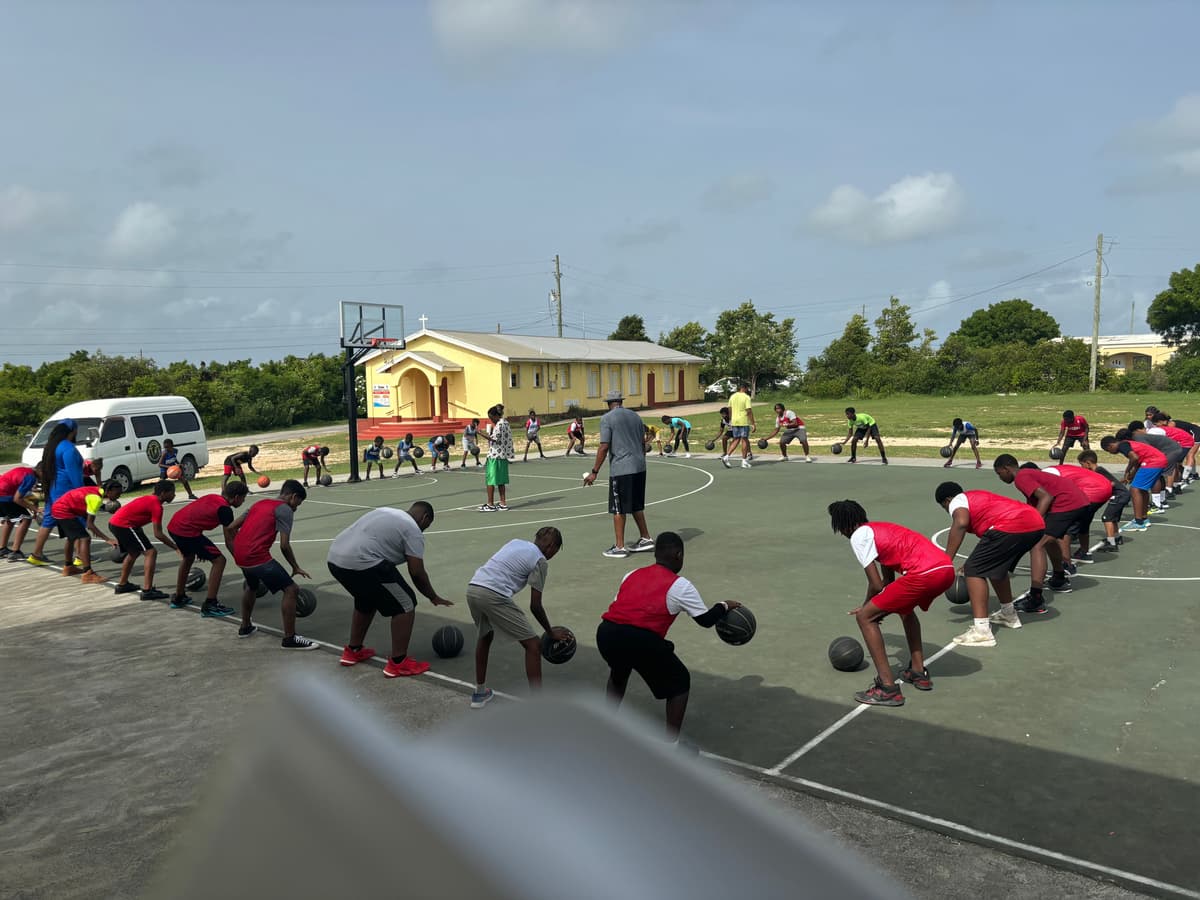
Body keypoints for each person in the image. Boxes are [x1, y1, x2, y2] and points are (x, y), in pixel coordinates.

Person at [595, 531, 740, 740]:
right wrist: (724, 605)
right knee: (680, 682)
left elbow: (620, 606)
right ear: (679, 555)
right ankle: (671, 746)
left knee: (619, 673)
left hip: (606, 633)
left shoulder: (632, 574)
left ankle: (604, 727)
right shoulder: (679, 585)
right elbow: (706, 620)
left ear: (656, 554)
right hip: (639, 638)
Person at [828, 500, 955, 706]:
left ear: (842, 526)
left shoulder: (859, 536)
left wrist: (867, 606)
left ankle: (887, 688)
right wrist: (876, 604)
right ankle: (918, 671)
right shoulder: (880, 530)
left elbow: (876, 585)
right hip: (945, 570)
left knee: (865, 618)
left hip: (924, 573)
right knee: (904, 610)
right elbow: (888, 583)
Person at [328, 501, 454, 678]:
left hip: (335, 559)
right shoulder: (413, 530)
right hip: (363, 561)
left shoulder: (385, 511)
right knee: (406, 603)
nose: (425, 529)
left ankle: (353, 650)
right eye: (428, 525)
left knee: (366, 599)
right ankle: (398, 662)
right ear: (425, 518)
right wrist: (433, 596)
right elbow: (416, 572)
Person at [935, 481, 1046, 646]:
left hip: (1013, 524)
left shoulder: (957, 501)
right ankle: (1009, 615)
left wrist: (945, 561)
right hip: (1034, 523)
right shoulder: (976, 498)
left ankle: (982, 631)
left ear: (947, 501)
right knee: (995, 567)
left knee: (974, 570)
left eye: (944, 507)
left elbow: (961, 523)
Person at [467, 526, 565, 708]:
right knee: (534, 645)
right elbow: (535, 606)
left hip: (473, 587)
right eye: (556, 550)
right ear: (551, 546)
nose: (554, 554)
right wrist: (550, 633)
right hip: (493, 595)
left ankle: (479, 694)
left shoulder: (515, 542)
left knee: (485, 636)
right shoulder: (540, 561)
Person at [992, 453, 1085, 612]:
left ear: (1006, 469)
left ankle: (1036, 598)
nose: (1000, 477)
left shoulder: (1021, 477)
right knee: (1047, 540)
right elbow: (1035, 503)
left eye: (999, 473)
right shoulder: (1028, 475)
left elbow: (1045, 497)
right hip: (1077, 501)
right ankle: (1059, 578)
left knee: (1037, 545)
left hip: (1067, 503)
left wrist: (1034, 522)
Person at [230, 479, 315, 649]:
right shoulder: (284, 510)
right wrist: (295, 566)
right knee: (291, 589)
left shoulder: (259, 503)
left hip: (240, 555)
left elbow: (231, 527)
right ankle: (290, 639)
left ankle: (245, 627)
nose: (296, 507)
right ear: (293, 496)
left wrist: (240, 547)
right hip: (256, 556)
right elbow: (284, 545)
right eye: (298, 502)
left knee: (252, 586)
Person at [583, 390, 655, 558]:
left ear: (609, 404)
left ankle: (619, 547)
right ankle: (646, 538)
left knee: (618, 508)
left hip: (622, 468)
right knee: (636, 505)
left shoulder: (607, 418)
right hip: (639, 467)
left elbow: (604, 446)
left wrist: (594, 472)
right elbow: (643, 442)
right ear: (621, 401)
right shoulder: (636, 417)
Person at [167, 480, 248, 616]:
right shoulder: (225, 510)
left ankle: (179, 597)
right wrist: (244, 564)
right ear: (236, 497)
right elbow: (230, 540)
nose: (243, 501)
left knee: (188, 558)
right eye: (243, 498)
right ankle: (210, 604)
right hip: (186, 531)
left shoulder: (214, 497)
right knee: (219, 560)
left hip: (174, 527)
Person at [108, 481, 179, 601]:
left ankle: (122, 585)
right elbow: (158, 534)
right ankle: (147, 590)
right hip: (124, 525)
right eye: (172, 493)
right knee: (151, 552)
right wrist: (176, 547)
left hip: (117, 523)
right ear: (163, 493)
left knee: (134, 553)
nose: (174, 495)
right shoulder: (156, 506)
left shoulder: (151, 499)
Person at [27, 420, 84, 566]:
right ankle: (80, 556)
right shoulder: (69, 449)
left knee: (48, 521)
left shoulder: (51, 447)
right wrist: (81, 492)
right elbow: (74, 474)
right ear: (73, 431)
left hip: (53, 489)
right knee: (77, 521)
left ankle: (36, 554)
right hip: (67, 491)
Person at [1039, 460, 1113, 566]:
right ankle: (1084, 552)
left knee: (1065, 526)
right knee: (1084, 521)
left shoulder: (1046, 474)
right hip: (1104, 486)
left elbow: (1051, 497)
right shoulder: (1053, 470)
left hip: (1092, 490)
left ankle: (1066, 564)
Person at [50, 480, 123, 585]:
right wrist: (108, 539)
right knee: (85, 538)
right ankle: (88, 573)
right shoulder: (96, 498)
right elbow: (90, 524)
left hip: (59, 507)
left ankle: (68, 567)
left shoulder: (96, 491)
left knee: (72, 538)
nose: (119, 496)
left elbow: (83, 505)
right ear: (109, 491)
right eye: (118, 493)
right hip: (63, 510)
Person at [1100, 434, 1166, 532]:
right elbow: (1137, 463)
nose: (1110, 453)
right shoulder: (1128, 445)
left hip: (1152, 462)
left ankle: (1138, 522)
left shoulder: (1122, 445)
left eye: (1108, 450)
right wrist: (1130, 476)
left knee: (1134, 489)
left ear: (1110, 446)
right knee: (1142, 490)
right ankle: (1144, 518)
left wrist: (1127, 471)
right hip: (1159, 460)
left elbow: (1134, 458)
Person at [1077, 450, 1130, 552]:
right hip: (1122, 495)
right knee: (1112, 518)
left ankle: (1111, 543)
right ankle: (1116, 537)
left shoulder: (1098, 471)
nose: (1081, 467)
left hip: (1119, 495)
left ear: (1088, 463)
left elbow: (1112, 483)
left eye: (1081, 464)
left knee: (1107, 518)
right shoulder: (1099, 470)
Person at [1125, 422, 1184, 505]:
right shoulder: (1138, 437)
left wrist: (1131, 472)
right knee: (1159, 474)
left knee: (1157, 475)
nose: (1145, 430)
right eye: (1144, 429)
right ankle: (1162, 500)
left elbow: (1146, 451)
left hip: (1170, 450)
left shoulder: (1138, 437)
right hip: (1173, 449)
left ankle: (1157, 503)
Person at [0, 464, 40, 561]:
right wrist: (35, 509)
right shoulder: (31, 478)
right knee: (26, 519)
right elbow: (17, 499)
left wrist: (33, 504)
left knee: (9, 519)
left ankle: (2, 549)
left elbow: (25, 491)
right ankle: (15, 551)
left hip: (2, 493)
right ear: (41, 471)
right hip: (5, 496)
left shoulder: (25, 470)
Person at [480, 405, 514, 511]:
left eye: (491, 417)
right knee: (501, 481)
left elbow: (494, 439)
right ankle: (503, 503)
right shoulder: (506, 423)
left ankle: (490, 504)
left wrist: (480, 433)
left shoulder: (499, 425)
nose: (491, 420)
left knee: (490, 480)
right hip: (503, 455)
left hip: (495, 455)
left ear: (495, 415)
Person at [1150, 413, 1196, 490]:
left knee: (1171, 465)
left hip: (1185, 443)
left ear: (1161, 422)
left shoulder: (1158, 430)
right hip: (1185, 442)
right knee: (1175, 464)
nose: (1156, 426)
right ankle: (1176, 484)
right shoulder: (1162, 429)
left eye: (1156, 424)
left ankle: (1169, 488)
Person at [722, 384, 755, 469]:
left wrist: (731, 419)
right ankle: (744, 461)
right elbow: (749, 410)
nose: (747, 390)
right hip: (743, 421)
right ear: (744, 388)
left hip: (734, 421)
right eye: (747, 388)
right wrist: (753, 423)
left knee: (736, 439)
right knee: (744, 439)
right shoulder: (746, 397)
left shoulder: (732, 396)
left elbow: (729, 409)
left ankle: (726, 456)